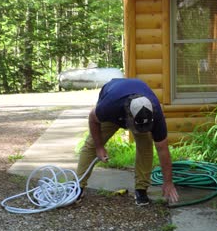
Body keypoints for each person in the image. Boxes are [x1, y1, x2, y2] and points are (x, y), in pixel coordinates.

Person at [76, 78, 179, 206]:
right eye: (138, 127)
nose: (140, 131)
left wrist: (168, 182)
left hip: (133, 103)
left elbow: (163, 149)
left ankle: (141, 189)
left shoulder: (155, 114)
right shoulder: (109, 106)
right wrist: (99, 147)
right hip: (114, 100)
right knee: (91, 145)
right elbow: (93, 119)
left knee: (146, 145)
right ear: (129, 116)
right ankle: (78, 186)